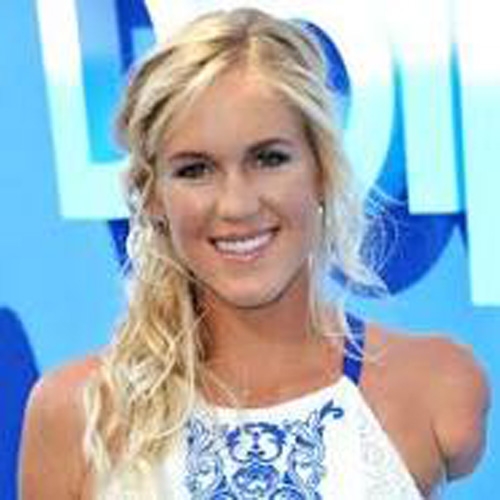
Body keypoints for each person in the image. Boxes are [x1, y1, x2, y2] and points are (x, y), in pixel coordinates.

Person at [19, 7, 490, 500]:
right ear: (154, 196)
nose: (237, 205)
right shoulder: (77, 415)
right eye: (195, 170)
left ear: (322, 170)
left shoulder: (438, 386)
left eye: (269, 159)